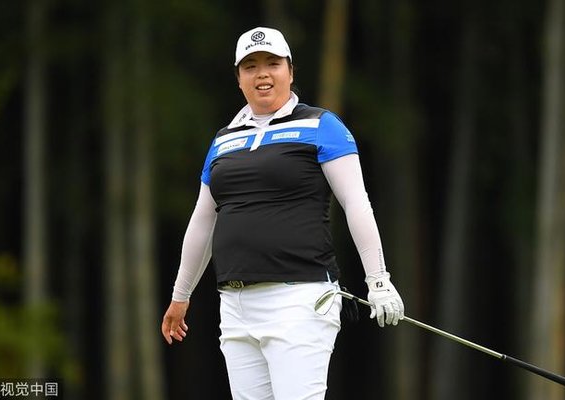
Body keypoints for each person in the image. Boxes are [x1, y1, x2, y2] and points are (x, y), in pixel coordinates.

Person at [161, 26, 404, 400]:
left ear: (290, 70)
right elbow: (203, 220)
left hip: (300, 299)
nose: (262, 74)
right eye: (251, 66)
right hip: (235, 304)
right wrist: (181, 295)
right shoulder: (224, 139)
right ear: (238, 78)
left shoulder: (321, 125)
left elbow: (356, 202)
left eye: (272, 64)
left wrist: (378, 279)